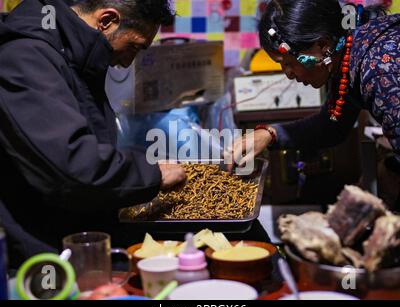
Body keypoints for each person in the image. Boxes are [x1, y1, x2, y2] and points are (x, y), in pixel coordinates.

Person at [0, 0, 187, 267]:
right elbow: (72, 167)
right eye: (134, 46)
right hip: (42, 257)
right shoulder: (25, 57)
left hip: (76, 237)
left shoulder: (71, 54)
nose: (126, 63)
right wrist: (152, 173)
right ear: (107, 20)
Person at [229, 0, 400, 208]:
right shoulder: (347, 55)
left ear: (322, 45)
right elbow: (333, 125)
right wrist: (270, 134)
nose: (288, 74)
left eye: (289, 63)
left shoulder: (379, 69)